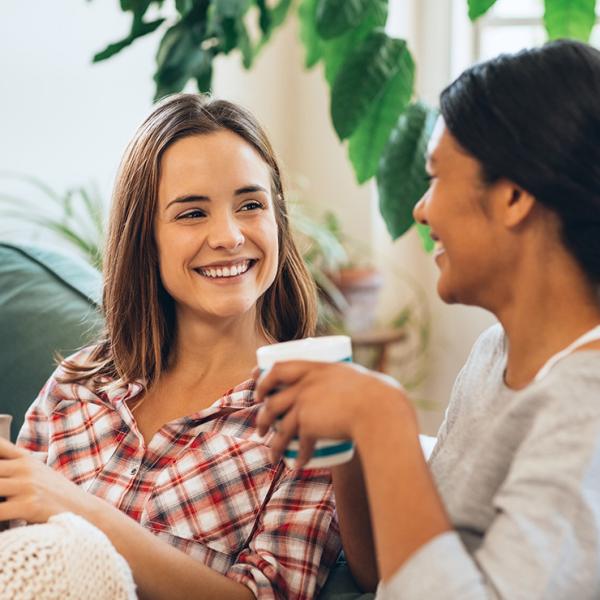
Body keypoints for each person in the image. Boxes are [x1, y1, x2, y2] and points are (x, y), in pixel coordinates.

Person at [256, 39, 600, 599]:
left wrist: (385, 418)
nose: (420, 208)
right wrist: (353, 443)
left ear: (514, 197)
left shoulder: (587, 407)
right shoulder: (495, 352)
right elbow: (395, 575)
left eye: (436, 177)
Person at [0, 94, 341, 599]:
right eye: (191, 213)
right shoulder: (77, 389)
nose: (228, 236)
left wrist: (72, 506)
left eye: (251, 205)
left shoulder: (311, 405)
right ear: (145, 237)